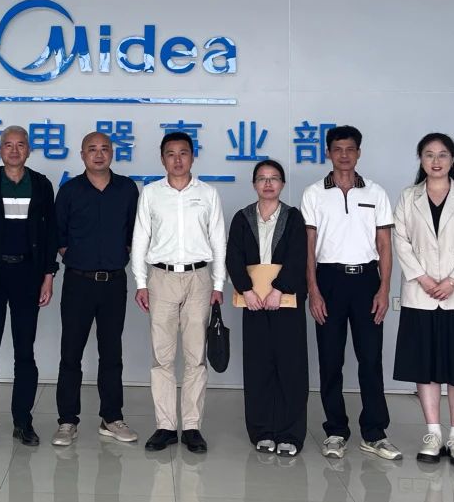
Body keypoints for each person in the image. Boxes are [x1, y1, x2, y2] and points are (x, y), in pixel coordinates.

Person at [301, 125, 402, 460]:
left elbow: (385, 245)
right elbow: (309, 246)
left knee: (370, 359)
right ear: (328, 153)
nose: (344, 155)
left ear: (359, 153)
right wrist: (313, 290)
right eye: (337, 149)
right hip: (328, 280)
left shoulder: (376, 192)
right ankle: (335, 430)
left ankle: (374, 433)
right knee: (330, 359)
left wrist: (384, 288)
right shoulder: (314, 193)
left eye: (350, 149)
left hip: (366, 281)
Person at [393, 133, 454, 467]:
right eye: (429, 155)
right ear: (421, 159)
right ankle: (433, 433)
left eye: (443, 155)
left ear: (452, 159)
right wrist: (422, 278)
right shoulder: (409, 197)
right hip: (421, 294)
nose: (436, 161)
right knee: (426, 365)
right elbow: (401, 240)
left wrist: (451, 281)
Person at [0, 125, 58, 448]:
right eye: (8, 145)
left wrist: (48, 275)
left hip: (28, 276)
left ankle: (23, 421)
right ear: (0, 149)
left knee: (25, 352)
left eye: (20, 145)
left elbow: (49, 235)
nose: (14, 150)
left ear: (29, 150)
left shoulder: (41, 185)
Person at [131, 132, 226, 453]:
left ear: (192, 157)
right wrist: (141, 282)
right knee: (162, 357)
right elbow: (140, 238)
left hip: (199, 278)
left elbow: (218, 240)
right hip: (161, 278)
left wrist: (218, 284)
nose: (177, 159)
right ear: (162, 159)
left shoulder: (208, 194)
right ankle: (165, 426)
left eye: (183, 153)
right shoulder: (151, 193)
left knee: (196, 357)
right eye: (170, 154)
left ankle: (192, 426)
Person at [51, 132, 139, 446]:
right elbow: (58, 236)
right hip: (78, 282)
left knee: (111, 352)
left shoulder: (126, 189)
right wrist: (80, 257)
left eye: (104, 149)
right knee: (70, 353)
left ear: (112, 153)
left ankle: (111, 417)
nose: (99, 154)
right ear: (82, 154)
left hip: (114, 283)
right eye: (92, 149)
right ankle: (67, 421)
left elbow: (135, 232)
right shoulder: (70, 190)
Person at [226, 160, 308, 456]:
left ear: (282, 184)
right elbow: (233, 256)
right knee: (258, 367)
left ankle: (290, 433)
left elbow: (299, 256)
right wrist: (246, 290)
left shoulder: (293, 217)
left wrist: (279, 289)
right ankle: (262, 430)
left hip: (285, 301)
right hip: (253, 302)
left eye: (274, 178)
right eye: (262, 178)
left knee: (290, 367)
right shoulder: (242, 218)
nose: (268, 183)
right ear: (254, 184)